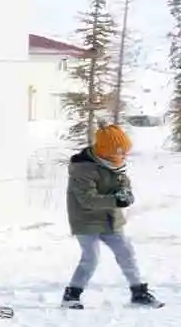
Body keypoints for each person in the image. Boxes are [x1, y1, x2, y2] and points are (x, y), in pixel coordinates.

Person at [62, 124, 161, 308]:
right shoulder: (82, 170)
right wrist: (116, 200)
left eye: (124, 153)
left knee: (126, 252)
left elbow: (124, 184)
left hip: (110, 219)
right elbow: (87, 200)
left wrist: (125, 194)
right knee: (90, 258)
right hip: (86, 220)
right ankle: (71, 296)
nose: (123, 157)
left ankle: (138, 292)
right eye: (120, 153)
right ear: (105, 152)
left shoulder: (115, 165)